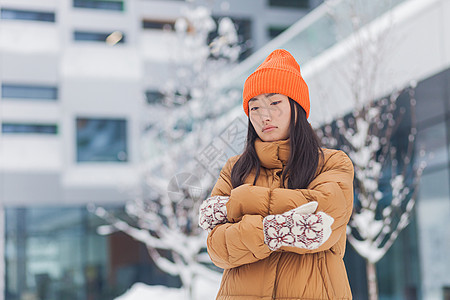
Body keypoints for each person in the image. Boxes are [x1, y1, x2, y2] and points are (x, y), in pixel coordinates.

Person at [198, 49, 354, 300]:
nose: (264, 116)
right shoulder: (235, 169)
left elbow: (325, 222)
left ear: (296, 106)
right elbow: (218, 248)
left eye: (274, 103)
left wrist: (240, 203)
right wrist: (277, 230)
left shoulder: (331, 163)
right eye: (254, 107)